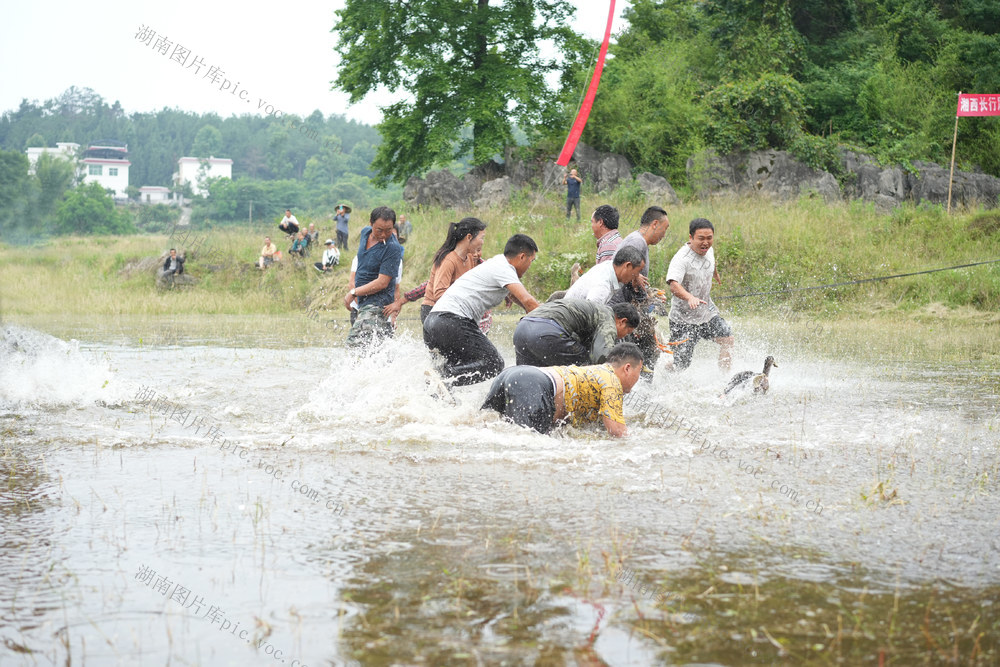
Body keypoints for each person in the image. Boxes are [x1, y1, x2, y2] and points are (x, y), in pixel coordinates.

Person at [423, 234, 541, 387]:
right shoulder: (504, 268)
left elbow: (519, 299)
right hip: (451, 321)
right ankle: (442, 377)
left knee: (457, 368)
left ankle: (438, 388)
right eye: (531, 261)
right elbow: (528, 302)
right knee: (493, 364)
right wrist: (549, 322)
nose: (529, 266)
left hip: (433, 322)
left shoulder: (496, 264)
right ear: (522, 257)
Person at [481, 342, 643, 437]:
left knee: (482, 426)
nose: (638, 379)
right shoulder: (611, 380)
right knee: (525, 446)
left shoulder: (595, 372)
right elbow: (617, 432)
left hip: (512, 374)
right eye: (639, 372)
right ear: (627, 368)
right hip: (533, 384)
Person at [609, 206, 672, 374]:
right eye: (664, 229)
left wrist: (651, 295)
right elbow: (622, 263)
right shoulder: (637, 241)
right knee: (642, 353)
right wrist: (636, 278)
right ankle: (638, 390)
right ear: (655, 224)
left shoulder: (638, 241)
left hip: (628, 308)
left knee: (642, 352)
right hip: (622, 308)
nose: (664, 235)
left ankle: (639, 387)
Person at [666, 218, 733, 371]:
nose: (706, 243)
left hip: (706, 312)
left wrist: (715, 273)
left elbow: (711, 261)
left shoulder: (709, 250)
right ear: (691, 238)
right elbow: (673, 284)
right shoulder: (681, 259)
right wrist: (689, 297)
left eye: (709, 238)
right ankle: (666, 372)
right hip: (683, 319)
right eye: (701, 239)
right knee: (681, 365)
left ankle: (724, 379)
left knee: (727, 338)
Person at [513, 300, 640, 367]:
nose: (623, 337)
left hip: (522, 329)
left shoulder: (594, 309)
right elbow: (601, 357)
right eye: (627, 332)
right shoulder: (607, 318)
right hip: (547, 331)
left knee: (531, 378)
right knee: (586, 364)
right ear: (622, 321)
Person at [343, 207, 403, 348]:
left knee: (354, 343)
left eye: (388, 230)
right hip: (363, 301)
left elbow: (383, 283)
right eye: (379, 230)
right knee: (374, 346)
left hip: (378, 302)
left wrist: (354, 292)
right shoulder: (365, 233)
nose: (383, 235)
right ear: (371, 223)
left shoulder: (393, 248)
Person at [564, 245, 645, 304]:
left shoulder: (609, 266)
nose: (638, 276)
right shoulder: (603, 287)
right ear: (628, 266)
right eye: (638, 271)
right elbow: (589, 315)